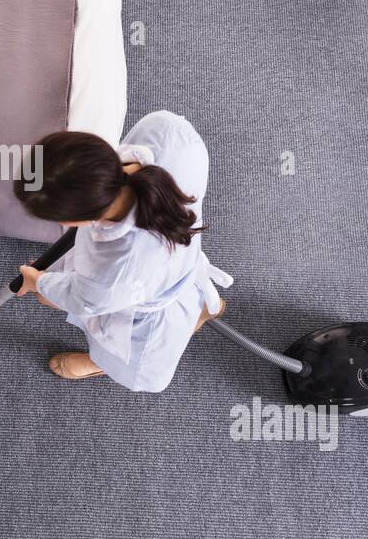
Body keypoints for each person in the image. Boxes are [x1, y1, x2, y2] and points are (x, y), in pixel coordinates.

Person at [14, 111, 233, 392]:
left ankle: (101, 363)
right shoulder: (165, 131)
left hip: (145, 304)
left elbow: (84, 299)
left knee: (121, 353)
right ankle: (199, 309)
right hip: (173, 261)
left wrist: (39, 282)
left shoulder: (116, 272)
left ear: (72, 220)